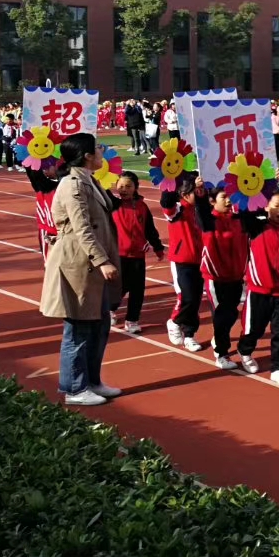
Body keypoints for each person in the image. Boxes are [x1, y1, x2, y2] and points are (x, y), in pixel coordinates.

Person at [39, 133, 121, 406]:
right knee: (78, 328)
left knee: (99, 325)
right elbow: (81, 228)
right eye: (98, 148)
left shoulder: (90, 180)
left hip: (91, 265)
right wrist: (102, 260)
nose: (101, 151)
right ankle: (75, 388)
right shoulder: (72, 185)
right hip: (78, 264)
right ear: (86, 155)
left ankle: (93, 381)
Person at [237, 191, 279, 383]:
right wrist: (255, 189)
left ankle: (278, 367)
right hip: (258, 291)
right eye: (276, 205)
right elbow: (244, 213)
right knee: (253, 329)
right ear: (266, 207)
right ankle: (245, 350)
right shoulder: (257, 227)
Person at [196, 187, 248, 369]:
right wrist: (200, 193)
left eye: (230, 197)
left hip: (235, 276)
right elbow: (200, 212)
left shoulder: (238, 220)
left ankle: (218, 339)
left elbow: (254, 205)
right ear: (212, 201)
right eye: (223, 197)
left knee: (231, 313)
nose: (228, 201)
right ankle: (222, 353)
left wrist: (273, 184)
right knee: (221, 315)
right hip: (215, 278)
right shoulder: (209, 221)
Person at [110, 171, 163, 334]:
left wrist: (158, 247)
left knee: (138, 289)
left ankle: (132, 320)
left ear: (135, 188)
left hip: (138, 255)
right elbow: (102, 189)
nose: (124, 189)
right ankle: (110, 309)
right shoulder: (113, 204)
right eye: (121, 186)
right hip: (119, 254)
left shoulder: (142, 207)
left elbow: (149, 229)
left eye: (128, 186)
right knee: (120, 287)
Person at [160, 178, 206, 352]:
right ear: (185, 194)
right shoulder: (177, 210)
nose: (201, 194)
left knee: (195, 299)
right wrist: (171, 177)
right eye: (197, 191)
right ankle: (174, 321)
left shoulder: (202, 210)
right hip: (182, 261)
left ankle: (189, 335)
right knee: (186, 297)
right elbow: (166, 202)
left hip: (200, 261)